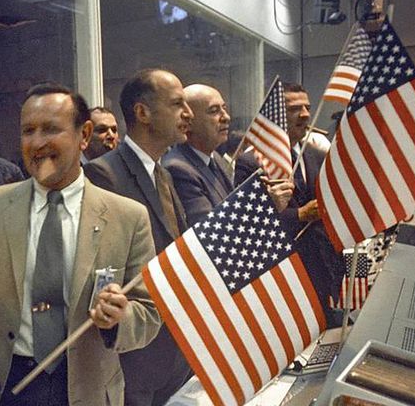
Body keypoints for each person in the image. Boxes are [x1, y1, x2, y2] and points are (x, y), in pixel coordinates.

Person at [0, 84, 161, 405]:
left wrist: (119, 318)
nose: (37, 142)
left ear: (84, 135)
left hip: (84, 390)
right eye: (28, 131)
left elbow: (149, 314)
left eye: (51, 129)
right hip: (2, 388)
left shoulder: (127, 217)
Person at [84, 68, 193, 406]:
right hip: (135, 360)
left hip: (172, 350)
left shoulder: (164, 174)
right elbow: (103, 272)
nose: (188, 114)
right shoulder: (104, 174)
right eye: (177, 104)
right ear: (142, 112)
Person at [234, 82, 345, 323]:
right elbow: (248, 221)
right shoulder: (251, 163)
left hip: (322, 268)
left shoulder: (318, 155)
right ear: (275, 115)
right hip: (282, 272)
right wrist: (300, 214)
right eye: (294, 109)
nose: (305, 114)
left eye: (307, 107)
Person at [162, 83, 233, 227]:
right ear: (188, 122)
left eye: (224, 108)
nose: (226, 117)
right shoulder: (178, 169)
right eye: (214, 111)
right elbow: (208, 229)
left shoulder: (216, 158)